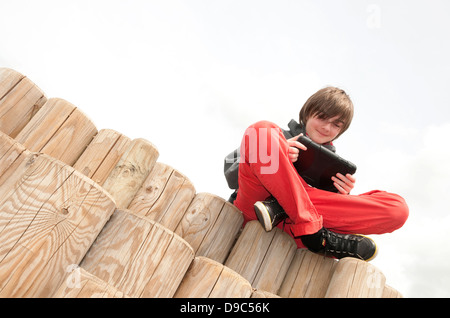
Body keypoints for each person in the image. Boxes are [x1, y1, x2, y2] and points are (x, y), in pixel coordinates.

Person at [224, 86, 409, 261]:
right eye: (322, 117)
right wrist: (278, 152)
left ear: (341, 131)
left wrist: (341, 196)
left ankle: (287, 211)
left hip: (297, 228)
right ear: (307, 113)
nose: (327, 128)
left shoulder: (334, 169)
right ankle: (311, 228)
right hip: (256, 208)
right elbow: (231, 173)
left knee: (397, 208)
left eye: (336, 124)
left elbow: (334, 211)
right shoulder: (276, 135)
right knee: (261, 129)